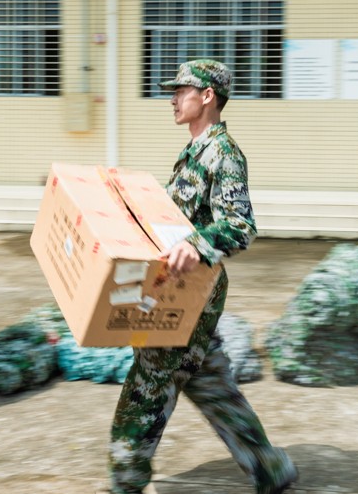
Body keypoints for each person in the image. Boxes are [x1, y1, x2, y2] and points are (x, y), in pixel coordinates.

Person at [108, 60, 298, 494]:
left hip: (193, 296)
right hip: (181, 291)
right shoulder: (193, 151)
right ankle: (271, 468)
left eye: (181, 91)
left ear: (207, 96)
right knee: (209, 382)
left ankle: (125, 480)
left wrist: (195, 245)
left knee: (147, 387)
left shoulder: (224, 153)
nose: (172, 99)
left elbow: (240, 224)